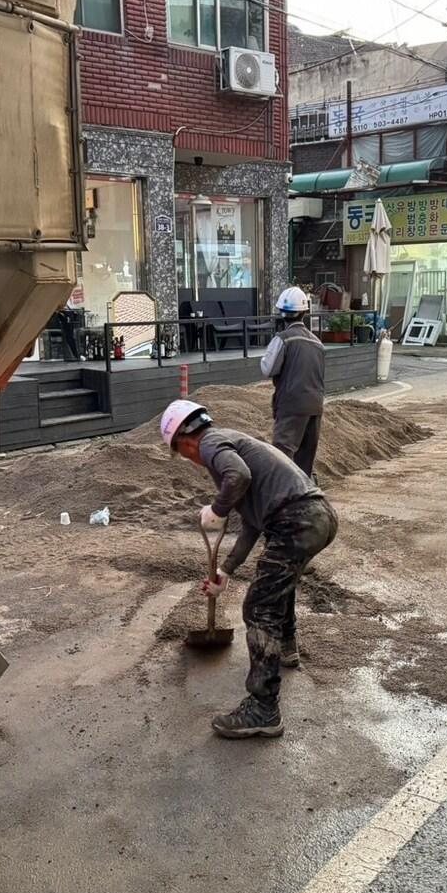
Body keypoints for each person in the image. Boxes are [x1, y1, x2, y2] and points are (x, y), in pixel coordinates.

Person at [160, 400, 339, 738]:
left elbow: (238, 476)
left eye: (182, 453)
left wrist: (217, 508)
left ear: (185, 441)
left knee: (259, 606)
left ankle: (263, 708)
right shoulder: (233, 442)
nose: (189, 459)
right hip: (317, 517)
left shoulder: (212, 442)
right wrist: (226, 571)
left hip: (296, 519)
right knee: (277, 586)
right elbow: (253, 525)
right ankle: (286, 646)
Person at [260, 286, 326, 477]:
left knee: (282, 455)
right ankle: (306, 497)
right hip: (315, 406)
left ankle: (282, 499)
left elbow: (268, 368)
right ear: (305, 312)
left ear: (282, 313)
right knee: (305, 459)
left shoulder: (283, 339)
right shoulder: (318, 343)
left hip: (291, 405)